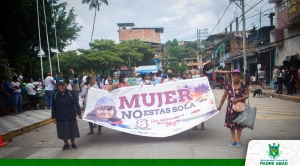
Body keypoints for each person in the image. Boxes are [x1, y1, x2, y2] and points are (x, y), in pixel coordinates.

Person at [217, 69, 249, 147]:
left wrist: (238, 99)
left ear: (240, 76)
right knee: (231, 124)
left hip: (240, 108)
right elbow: (224, 96)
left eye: (237, 75)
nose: (236, 76)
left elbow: (247, 95)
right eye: (234, 75)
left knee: (239, 124)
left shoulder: (243, 85)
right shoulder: (228, 85)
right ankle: (233, 139)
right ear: (232, 76)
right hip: (230, 108)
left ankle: (238, 139)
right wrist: (220, 106)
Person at [52, 78, 82, 150]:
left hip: (70, 114)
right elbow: (53, 106)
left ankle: (73, 143)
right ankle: (66, 143)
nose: (61, 87)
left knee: (72, 130)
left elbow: (76, 104)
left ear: (66, 85)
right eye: (59, 85)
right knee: (62, 130)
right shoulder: (55, 95)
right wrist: (54, 117)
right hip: (60, 116)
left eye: (62, 85)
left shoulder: (71, 93)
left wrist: (79, 113)